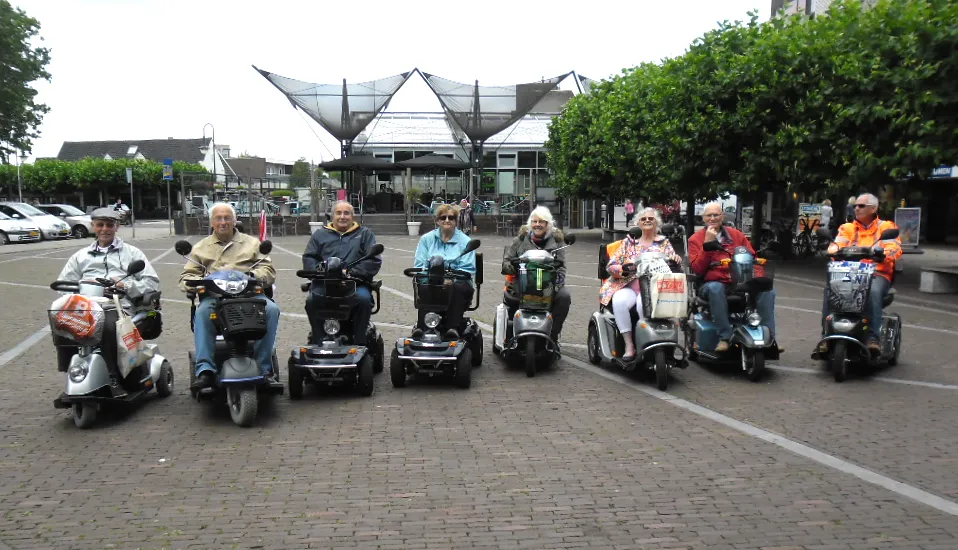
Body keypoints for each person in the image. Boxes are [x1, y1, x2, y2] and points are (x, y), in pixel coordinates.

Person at [179, 202, 279, 390]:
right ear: (212, 222)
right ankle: (205, 370)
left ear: (234, 220)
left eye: (227, 218)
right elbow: (187, 275)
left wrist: (255, 276)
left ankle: (265, 368)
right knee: (201, 314)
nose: (223, 222)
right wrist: (195, 283)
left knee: (272, 310)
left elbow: (268, 270)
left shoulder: (252, 244)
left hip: (249, 295)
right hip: (216, 298)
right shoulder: (200, 248)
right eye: (218, 218)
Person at [55, 208, 161, 373]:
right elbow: (64, 284)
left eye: (109, 225)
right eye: (100, 225)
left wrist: (124, 286)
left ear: (117, 227)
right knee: (61, 322)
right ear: (93, 226)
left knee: (108, 328)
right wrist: (82, 289)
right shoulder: (80, 256)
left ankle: (113, 375)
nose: (105, 229)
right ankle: (73, 372)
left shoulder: (132, 253)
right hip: (86, 306)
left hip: (118, 305)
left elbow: (153, 283)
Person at [688, 202, 779, 353]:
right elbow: (698, 269)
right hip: (711, 283)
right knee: (715, 288)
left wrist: (759, 279)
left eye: (716, 215)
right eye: (709, 215)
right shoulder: (695, 239)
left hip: (739, 281)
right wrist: (707, 244)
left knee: (767, 290)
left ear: (722, 216)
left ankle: (770, 337)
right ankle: (724, 337)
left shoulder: (737, 235)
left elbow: (753, 258)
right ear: (703, 218)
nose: (713, 218)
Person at [817, 193, 902, 355]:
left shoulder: (886, 227)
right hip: (848, 273)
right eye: (855, 205)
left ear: (873, 208)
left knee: (872, 291)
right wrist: (833, 250)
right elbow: (837, 244)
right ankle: (826, 336)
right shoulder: (847, 228)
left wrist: (883, 253)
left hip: (877, 273)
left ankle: (873, 338)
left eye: (861, 206)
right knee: (830, 290)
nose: (856, 208)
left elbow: (894, 247)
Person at [600, 207, 682, 359]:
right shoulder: (628, 242)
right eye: (643, 219)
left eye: (651, 218)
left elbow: (673, 260)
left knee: (642, 303)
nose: (647, 221)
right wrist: (623, 268)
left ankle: (648, 343)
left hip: (654, 288)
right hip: (628, 285)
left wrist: (676, 258)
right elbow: (611, 266)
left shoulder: (664, 242)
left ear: (657, 222)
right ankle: (629, 345)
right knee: (619, 301)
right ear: (638, 223)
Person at [302, 200, 382, 345]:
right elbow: (309, 258)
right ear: (332, 216)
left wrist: (351, 273)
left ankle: (360, 342)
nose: (342, 217)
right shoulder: (320, 235)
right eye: (339, 213)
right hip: (325, 283)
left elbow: (373, 260)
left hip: (355, 283)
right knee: (311, 301)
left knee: (363, 300)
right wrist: (320, 271)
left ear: (353, 216)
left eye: (347, 213)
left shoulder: (364, 234)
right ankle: (319, 339)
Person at [501, 206, 571, 343]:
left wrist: (556, 286)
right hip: (523, 282)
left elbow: (561, 267)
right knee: (513, 297)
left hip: (548, 285)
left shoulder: (558, 242)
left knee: (564, 297)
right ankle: (511, 335)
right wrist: (514, 266)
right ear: (530, 223)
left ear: (548, 224)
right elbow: (505, 263)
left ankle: (553, 334)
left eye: (541, 222)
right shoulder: (520, 240)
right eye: (534, 221)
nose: (537, 225)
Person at [413, 203, 476, 340]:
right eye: (443, 217)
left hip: (458, 282)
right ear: (437, 221)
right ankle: (422, 328)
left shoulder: (465, 241)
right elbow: (420, 265)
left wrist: (451, 279)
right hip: (432, 281)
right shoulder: (426, 240)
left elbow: (467, 268)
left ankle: (452, 328)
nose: (447, 220)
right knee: (424, 286)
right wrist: (429, 279)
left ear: (456, 220)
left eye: (451, 218)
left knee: (457, 287)